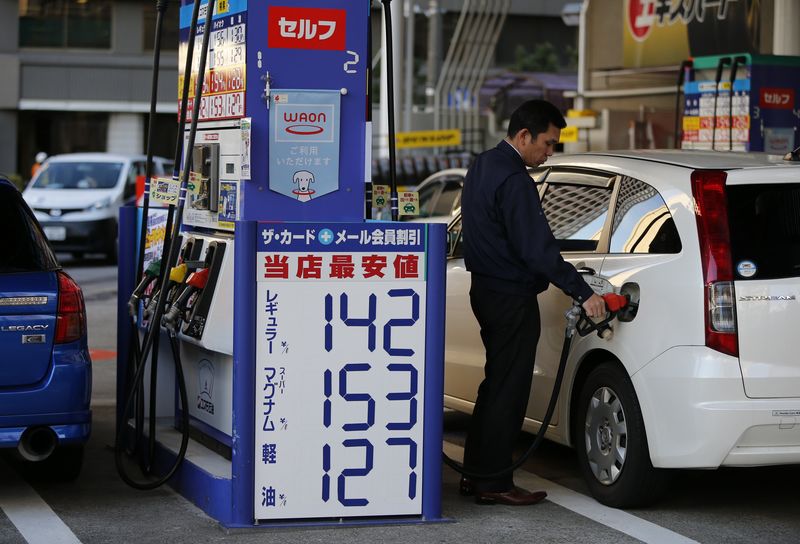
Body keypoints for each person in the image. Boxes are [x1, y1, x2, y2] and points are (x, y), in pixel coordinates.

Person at [460, 99, 606, 506]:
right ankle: (494, 484)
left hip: (485, 290)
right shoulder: (515, 179)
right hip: (510, 296)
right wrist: (584, 292)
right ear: (523, 136)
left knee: (495, 385)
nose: (550, 152)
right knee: (509, 389)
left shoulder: (483, 165)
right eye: (547, 142)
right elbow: (537, 250)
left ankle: (477, 476)